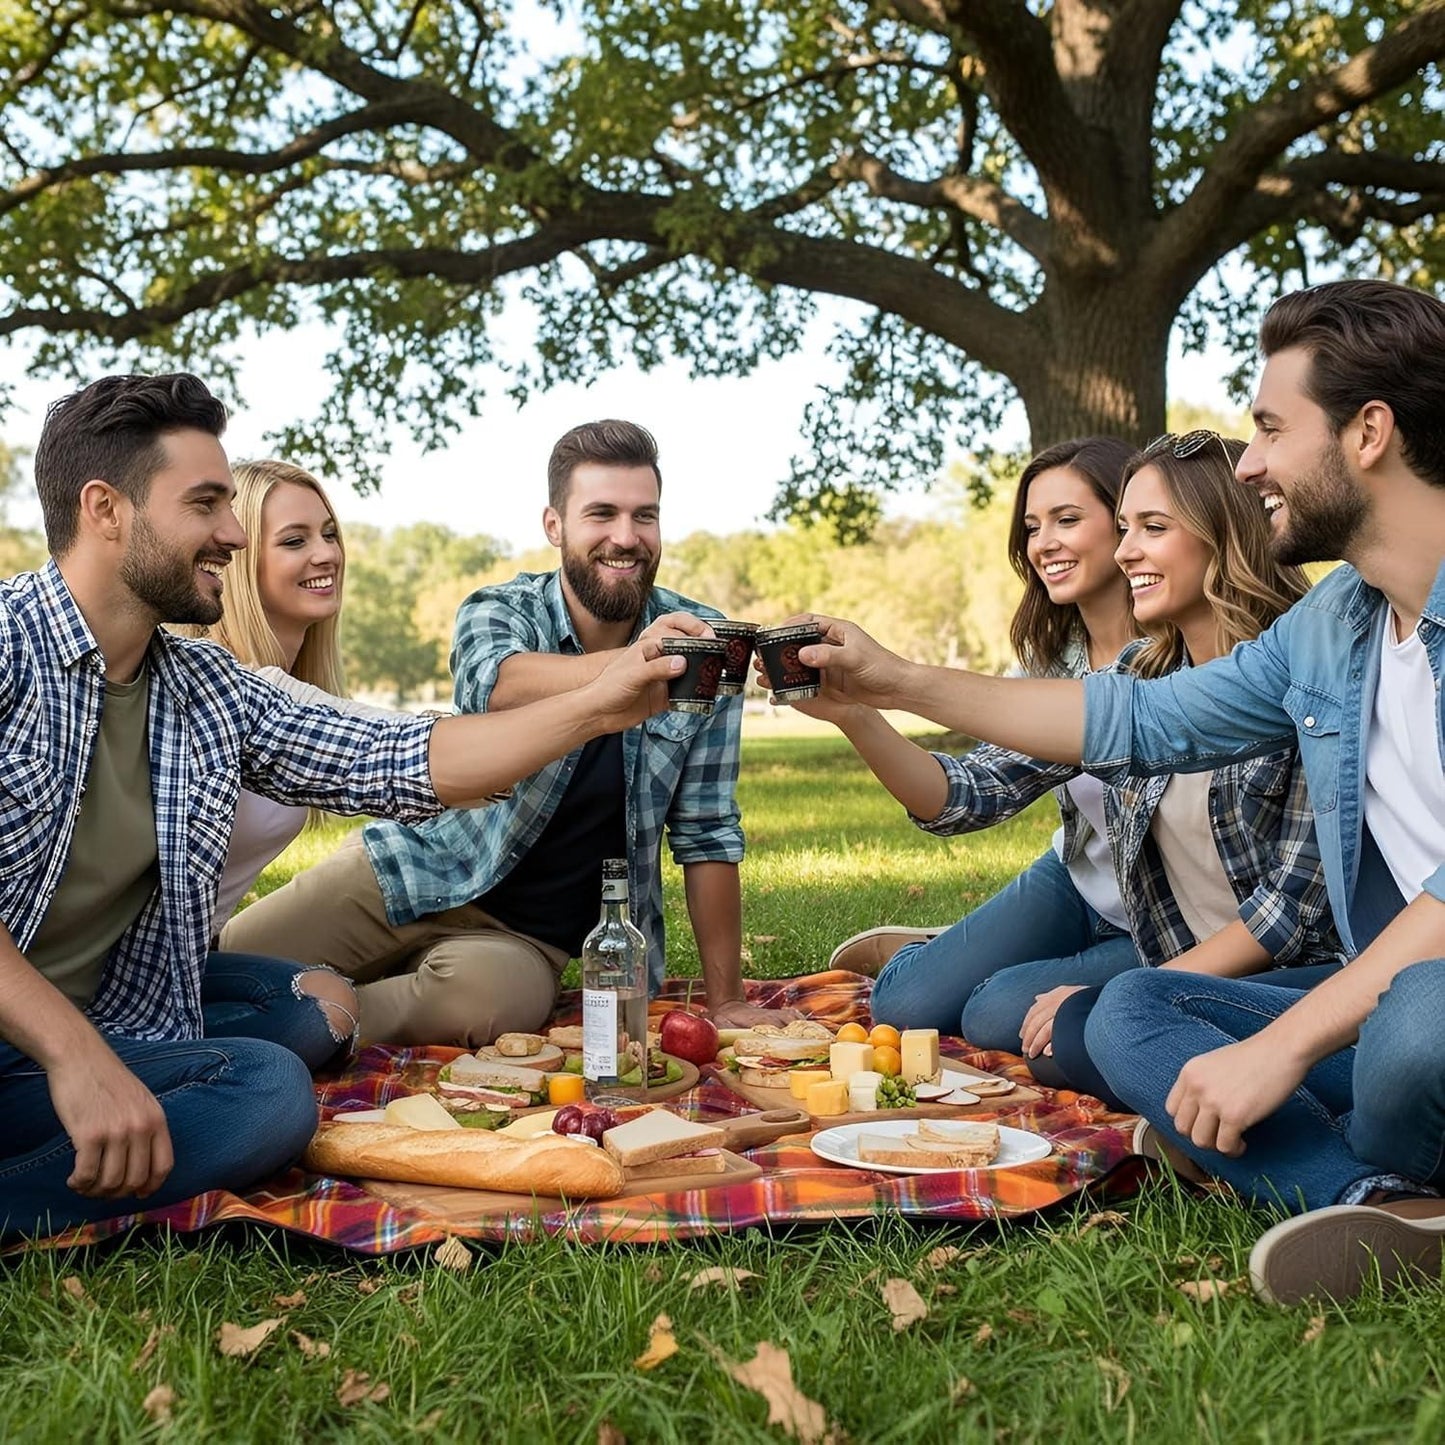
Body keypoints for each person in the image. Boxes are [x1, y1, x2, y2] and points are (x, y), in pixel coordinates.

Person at [775, 279, 1445, 1306]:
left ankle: (1337, 1142)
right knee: (1133, 1004)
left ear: (1367, 430)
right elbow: (1139, 722)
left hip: (1409, 1002)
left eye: (1269, 426)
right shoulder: (1340, 624)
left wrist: (1279, 1043)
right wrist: (892, 681)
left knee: (1410, 1032)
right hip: (1371, 994)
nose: (1251, 459)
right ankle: (1369, 1197)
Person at [0, 374, 682, 1238]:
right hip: (31, 1022)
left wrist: (603, 700)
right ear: (106, 509)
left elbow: (402, 756)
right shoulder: (7, 649)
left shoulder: (204, 687)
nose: (231, 533)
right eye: (206, 503)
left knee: (295, 1044)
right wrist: (78, 1057)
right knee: (267, 1091)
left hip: (112, 1005)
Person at [222, 419, 795, 1046]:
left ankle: (293, 1031)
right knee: (216, 970)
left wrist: (728, 999)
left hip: (522, 942)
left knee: (488, 1006)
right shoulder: (501, 610)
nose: (625, 538)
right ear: (555, 526)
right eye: (601, 514)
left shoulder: (703, 647)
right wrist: (629, 668)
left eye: (645, 516)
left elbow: (706, 829)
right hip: (406, 872)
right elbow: (492, 688)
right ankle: (248, 1019)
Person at [818, 435, 1338, 1082]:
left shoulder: (1306, 675)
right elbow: (971, 792)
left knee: (1034, 1018)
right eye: (1125, 528)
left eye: (1148, 527)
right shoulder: (1127, 674)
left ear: (1223, 532)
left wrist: (1130, 994)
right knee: (926, 1004)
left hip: (1277, 968)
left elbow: (1287, 916)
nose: (1125, 552)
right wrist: (856, 708)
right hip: (1123, 911)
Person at [819, 437, 1142, 1013]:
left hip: (1173, 922)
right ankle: (952, 952)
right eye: (1033, 527)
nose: (1044, 544)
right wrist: (855, 715)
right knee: (904, 1003)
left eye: (1067, 520)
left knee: (993, 1009)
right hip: (1083, 883)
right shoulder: (1055, 662)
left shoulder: (1192, 651)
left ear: (1127, 524)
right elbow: (970, 795)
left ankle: (1004, 968)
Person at [183, 458, 415, 927]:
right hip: (131, 976)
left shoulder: (296, 688)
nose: (327, 553)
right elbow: (401, 741)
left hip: (192, 960)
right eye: (295, 541)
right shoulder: (218, 688)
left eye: (329, 534)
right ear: (241, 559)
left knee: (326, 989)